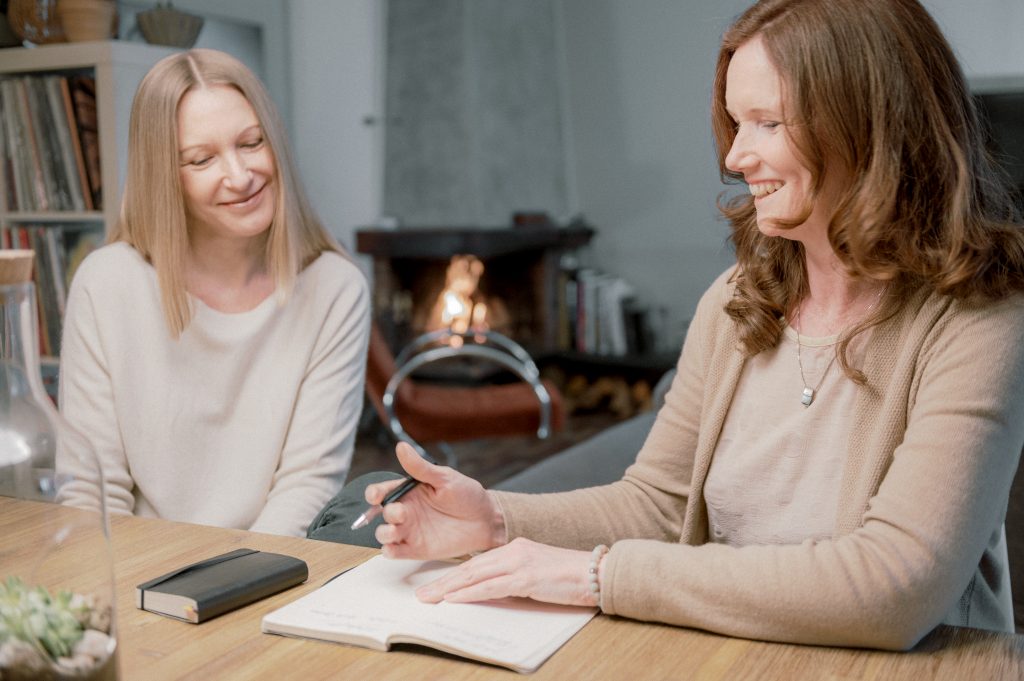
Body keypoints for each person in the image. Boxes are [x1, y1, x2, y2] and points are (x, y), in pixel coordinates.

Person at [342, 0, 1024, 650]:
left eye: (767, 123)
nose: (734, 157)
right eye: (735, 123)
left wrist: (598, 576)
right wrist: (495, 517)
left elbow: (894, 585)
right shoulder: (737, 300)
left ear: (868, 125)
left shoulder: (980, 317)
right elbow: (657, 504)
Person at [56, 49, 370, 538]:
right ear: (164, 175)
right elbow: (91, 494)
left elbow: (306, 487)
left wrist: (235, 586)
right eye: (201, 159)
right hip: (139, 571)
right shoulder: (107, 282)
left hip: (271, 570)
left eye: (251, 143)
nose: (241, 177)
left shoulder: (335, 288)